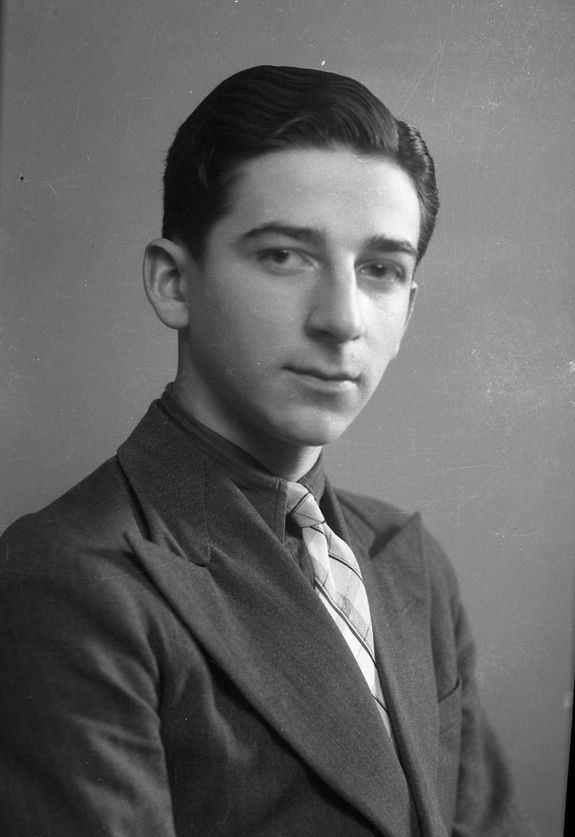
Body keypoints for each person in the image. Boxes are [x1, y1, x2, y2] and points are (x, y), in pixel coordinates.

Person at [0, 65, 534, 836]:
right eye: (285, 255)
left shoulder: (409, 562)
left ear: (409, 307)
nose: (342, 319)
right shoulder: (70, 576)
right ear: (173, 284)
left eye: (381, 270)